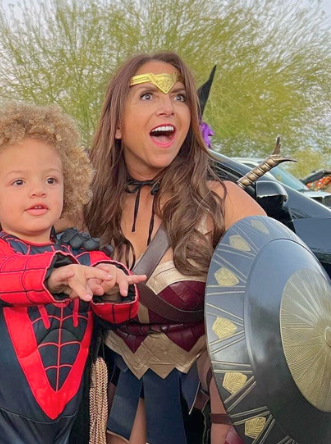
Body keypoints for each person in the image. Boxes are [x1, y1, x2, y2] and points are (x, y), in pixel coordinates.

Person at [83, 52, 266, 444]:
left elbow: (279, 304)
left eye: (180, 96)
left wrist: (230, 409)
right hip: (111, 399)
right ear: (116, 125)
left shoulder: (224, 203)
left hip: (201, 409)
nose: (168, 105)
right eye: (148, 95)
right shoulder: (84, 208)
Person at [0, 102, 144, 444]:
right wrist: (56, 274)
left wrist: (116, 286)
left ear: (67, 189)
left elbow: (119, 311)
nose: (38, 189)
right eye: (18, 181)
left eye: (51, 179)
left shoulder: (86, 254)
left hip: (68, 425)